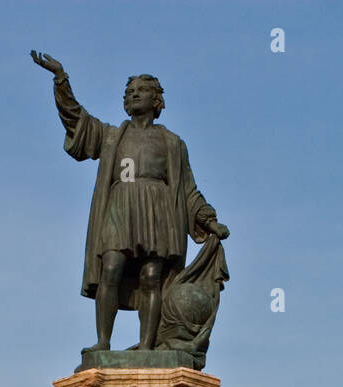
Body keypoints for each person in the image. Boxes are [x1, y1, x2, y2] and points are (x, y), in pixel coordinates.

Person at [32, 50, 229, 353]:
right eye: (129, 92)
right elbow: (77, 120)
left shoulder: (173, 143)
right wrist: (61, 79)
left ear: (156, 100)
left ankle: (148, 347)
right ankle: (103, 342)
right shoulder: (112, 135)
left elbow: (188, 190)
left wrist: (208, 219)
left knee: (152, 276)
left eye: (141, 91)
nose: (133, 95)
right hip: (120, 207)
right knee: (110, 267)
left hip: (158, 211)